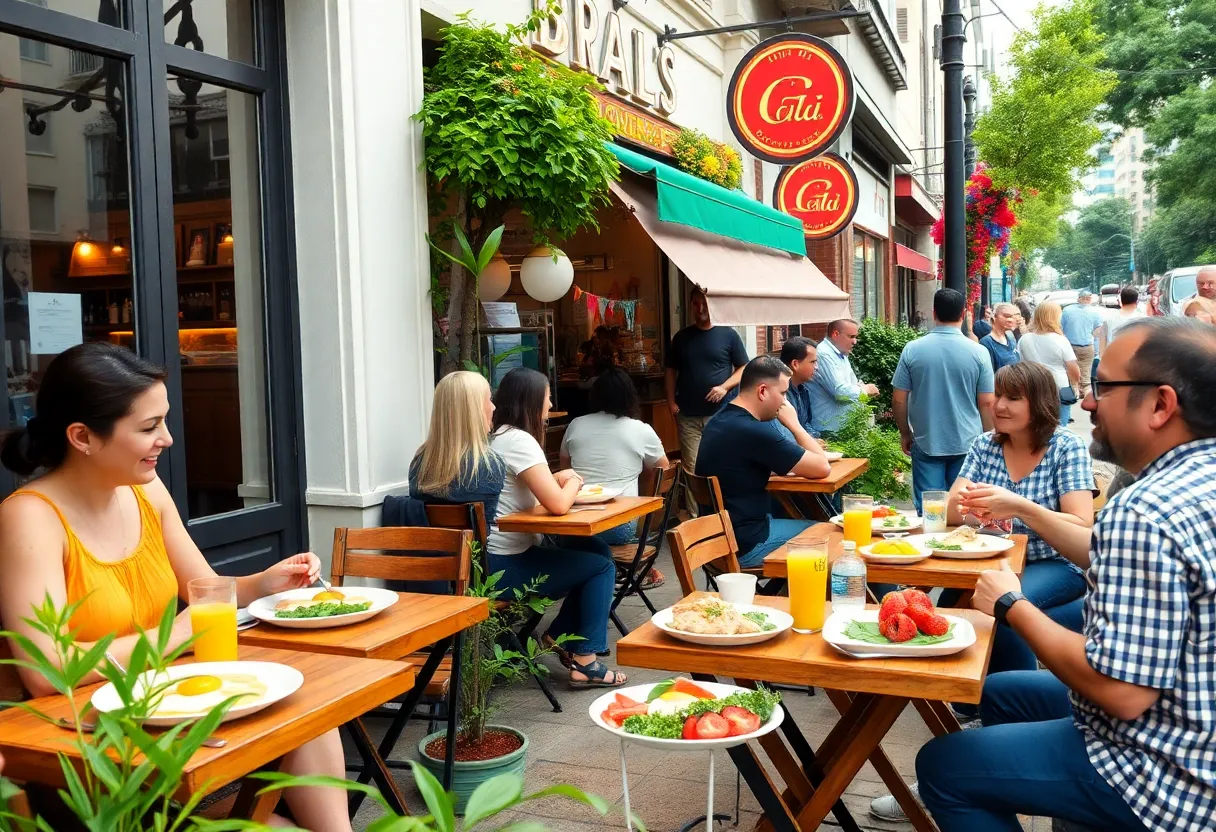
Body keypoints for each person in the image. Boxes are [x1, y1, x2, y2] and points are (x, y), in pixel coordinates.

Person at [0, 343, 351, 831]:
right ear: (82, 436)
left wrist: (263, 582)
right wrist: (176, 635)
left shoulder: (145, 491)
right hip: (92, 760)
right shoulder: (30, 518)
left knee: (307, 712)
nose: (166, 439)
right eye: (148, 427)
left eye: (164, 421)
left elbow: (203, 588)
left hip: (169, 713)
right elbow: (46, 670)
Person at [916, 317, 1216, 832]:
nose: (1088, 402)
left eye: (1102, 387)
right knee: (993, 691)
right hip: (1188, 709)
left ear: (1162, 405)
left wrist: (1013, 604)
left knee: (940, 767)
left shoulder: (1143, 509)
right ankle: (1036, 792)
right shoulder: (1195, 480)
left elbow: (1122, 693)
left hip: (1168, 770)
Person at [487, 368, 627, 688]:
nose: (551, 404)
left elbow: (532, 488)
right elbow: (559, 505)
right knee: (602, 567)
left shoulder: (498, 437)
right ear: (532, 401)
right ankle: (585, 661)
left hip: (491, 560)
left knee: (596, 550)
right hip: (507, 566)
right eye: (548, 397)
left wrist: (558, 480)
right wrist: (574, 479)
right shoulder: (519, 440)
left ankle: (559, 635)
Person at [949, 362, 1093, 672]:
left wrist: (1016, 506)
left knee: (1004, 602)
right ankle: (965, 689)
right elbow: (951, 508)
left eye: (1013, 398)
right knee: (949, 604)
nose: (998, 405)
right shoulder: (985, 444)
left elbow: (1082, 525)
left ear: (1040, 403)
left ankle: (1012, 698)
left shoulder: (1066, 448)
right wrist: (984, 508)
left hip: (1053, 563)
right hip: (988, 559)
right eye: (998, 394)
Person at [696, 356, 831, 567]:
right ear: (763, 391)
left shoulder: (719, 420)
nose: (785, 402)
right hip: (746, 543)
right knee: (830, 533)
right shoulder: (753, 431)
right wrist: (794, 425)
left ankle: (786, 593)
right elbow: (823, 467)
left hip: (715, 539)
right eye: (783, 393)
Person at [560, 368, 669, 588]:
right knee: (637, 514)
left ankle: (610, 571)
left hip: (575, 526)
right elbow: (663, 470)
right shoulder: (640, 429)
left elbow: (565, 469)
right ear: (630, 396)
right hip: (620, 527)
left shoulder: (576, 424)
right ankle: (633, 566)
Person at [892, 289, 995, 513]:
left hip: (927, 440)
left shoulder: (913, 349)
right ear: (963, 313)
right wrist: (990, 438)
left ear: (934, 312)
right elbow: (987, 402)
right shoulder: (979, 352)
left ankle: (931, 546)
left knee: (931, 511)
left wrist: (904, 432)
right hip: (969, 442)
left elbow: (899, 399)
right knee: (965, 507)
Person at [664, 289, 748, 513]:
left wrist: (724, 387)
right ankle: (696, 521)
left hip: (720, 415)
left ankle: (722, 515)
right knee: (692, 470)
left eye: (704, 303)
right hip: (688, 415)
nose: (700, 309)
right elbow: (671, 371)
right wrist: (671, 403)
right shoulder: (681, 338)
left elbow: (743, 367)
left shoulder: (728, 334)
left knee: (719, 466)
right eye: (695, 303)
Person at [808, 319, 880, 435]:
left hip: (842, 427)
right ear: (836, 334)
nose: (855, 342)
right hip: (829, 429)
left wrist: (863, 389)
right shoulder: (824, 354)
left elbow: (852, 384)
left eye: (856, 337)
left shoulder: (841, 354)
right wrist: (866, 389)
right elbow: (840, 391)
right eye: (851, 336)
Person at [1017, 301, 1081, 425]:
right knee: (1060, 426)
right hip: (1058, 388)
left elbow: (1020, 363)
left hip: (1033, 386)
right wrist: (1075, 384)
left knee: (1036, 424)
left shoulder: (1024, 339)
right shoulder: (1060, 340)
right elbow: (1073, 369)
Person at [1061, 290, 1104, 397]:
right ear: (1089, 299)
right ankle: (1085, 392)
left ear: (1078, 298)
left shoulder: (1067, 310)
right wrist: (1097, 350)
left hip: (1069, 346)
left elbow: (1060, 328)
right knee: (1086, 372)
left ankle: (1075, 390)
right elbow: (1099, 332)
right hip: (1087, 347)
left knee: (1071, 371)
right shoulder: (1095, 312)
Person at [778, 336, 818, 437]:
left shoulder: (803, 390)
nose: (816, 367)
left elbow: (805, 423)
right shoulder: (780, 393)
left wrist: (813, 437)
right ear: (795, 364)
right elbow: (784, 433)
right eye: (812, 362)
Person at [1097, 285, 1144, 354]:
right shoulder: (1144, 320)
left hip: (1114, 359)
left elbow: (1102, 341)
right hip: (1136, 360)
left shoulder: (1108, 318)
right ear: (1137, 301)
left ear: (1120, 300)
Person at [978, 303, 1021, 373]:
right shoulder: (986, 343)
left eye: (1013, 317)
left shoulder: (1011, 338)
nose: (1011, 320)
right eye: (1007, 316)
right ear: (995, 317)